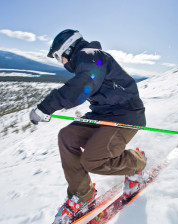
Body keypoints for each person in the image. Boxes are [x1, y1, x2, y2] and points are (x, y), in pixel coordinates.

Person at [29, 29, 147, 224]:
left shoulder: (91, 56)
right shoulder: (87, 59)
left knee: (93, 160)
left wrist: (46, 107)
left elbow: (81, 86)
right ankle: (82, 195)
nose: (62, 63)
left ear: (68, 50)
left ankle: (137, 164)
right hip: (102, 114)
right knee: (67, 136)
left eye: (60, 58)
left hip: (125, 115)